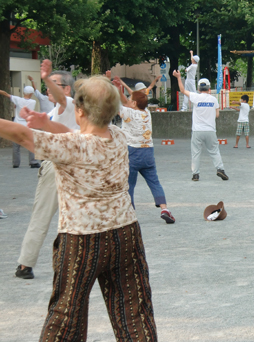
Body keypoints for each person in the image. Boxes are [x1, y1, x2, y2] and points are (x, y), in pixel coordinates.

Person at [1, 74, 158, 341]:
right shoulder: (118, 136)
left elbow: (20, 133)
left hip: (81, 240)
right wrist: (48, 125)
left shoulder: (71, 146)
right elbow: (82, 137)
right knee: (134, 313)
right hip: (125, 234)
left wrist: (45, 127)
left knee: (66, 317)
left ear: (80, 110)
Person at [14, 62, 79, 280]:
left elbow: (61, 99)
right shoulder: (53, 111)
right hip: (67, 166)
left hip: (59, 166)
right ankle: (27, 263)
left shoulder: (68, 103)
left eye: (54, 85)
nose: (49, 89)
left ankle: (25, 264)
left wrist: (45, 77)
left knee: (43, 215)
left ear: (67, 88)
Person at [113, 77, 175, 224]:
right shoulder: (146, 113)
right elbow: (127, 102)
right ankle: (164, 208)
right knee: (154, 182)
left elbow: (119, 104)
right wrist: (120, 88)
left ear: (133, 103)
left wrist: (115, 89)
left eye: (130, 99)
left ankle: (131, 213)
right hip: (148, 152)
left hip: (132, 152)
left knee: (130, 185)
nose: (127, 100)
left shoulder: (128, 114)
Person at [173, 70, 229, 181]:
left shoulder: (195, 97)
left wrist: (178, 77)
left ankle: (195, 174)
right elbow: (217, 115)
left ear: (198, 89)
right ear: (209, 89)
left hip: (197, 130)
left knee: (196, 153)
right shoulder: (214, 99)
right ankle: (220, 169)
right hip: (210, 130)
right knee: (214, 151)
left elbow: (182, 90)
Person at [0, 86, 40, 168]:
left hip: (16, 125)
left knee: (16, 145)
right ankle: (33, 162)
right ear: (31, 94)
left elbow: (6, 94)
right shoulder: (33, 102)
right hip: (27, 126)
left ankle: (16, 163)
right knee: (31, 143)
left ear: (23, 93)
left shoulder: (17, 100)